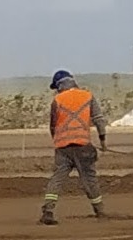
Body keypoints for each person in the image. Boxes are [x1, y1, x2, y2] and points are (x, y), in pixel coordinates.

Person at [40, 68, 107, 223]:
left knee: (57, 179)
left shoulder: (57, 101)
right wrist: (102, 141)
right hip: (83, 145)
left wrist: (57, 141)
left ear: (59, 86)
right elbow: (99, 119)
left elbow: (52, 126)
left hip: (63, 148)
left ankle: (48, 211)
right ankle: (100, 212)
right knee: (89, 179)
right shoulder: (88, 96)